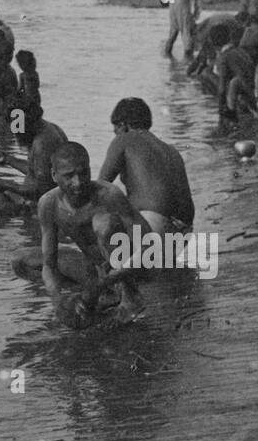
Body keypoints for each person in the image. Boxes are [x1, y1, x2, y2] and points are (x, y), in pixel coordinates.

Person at [33, 142, 148, 323]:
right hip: (99, 270)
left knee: (103, 223)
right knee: (21, 261)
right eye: (69, 176)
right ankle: (102, 295)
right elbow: (49, 264)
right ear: (54, 175)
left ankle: (129, 296)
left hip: (132, 267)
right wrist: (57, 300)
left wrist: (114, 276)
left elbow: (149, 246)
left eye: (83, 173)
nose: (78, 182)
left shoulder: (109, 195)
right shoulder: (48, 204)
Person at [97, 98, 195, 234]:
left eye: (116, 129)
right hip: (183, 230)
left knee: (101, 220)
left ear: (123, 125)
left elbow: (100, 187)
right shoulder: (172, 150)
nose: (115, 133)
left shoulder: (123, 140)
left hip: (151, 223)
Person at [0, 101, 67, 214]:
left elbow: (44, 191)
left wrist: (8, 185)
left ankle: (15, 224)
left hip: (43, 207)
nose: (15, 134)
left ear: (28, 123)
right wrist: (8, 159)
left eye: (18, 130)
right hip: (39, 200)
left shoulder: (42, 144)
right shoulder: (48, 128)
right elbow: (38, 171)